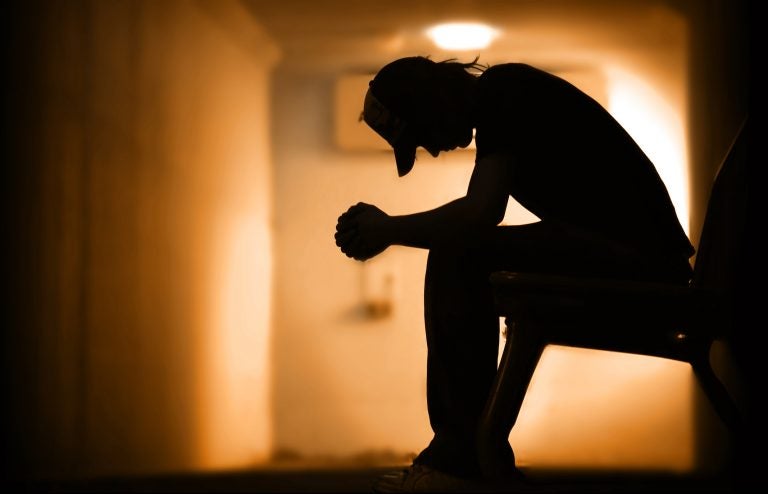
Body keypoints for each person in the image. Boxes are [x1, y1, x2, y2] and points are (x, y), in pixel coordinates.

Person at [334, 56, 694, 492]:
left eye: (420, 135)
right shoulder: (502, 97)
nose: (430, 149)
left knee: (458, 249)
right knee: (463, 248)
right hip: (640, 259)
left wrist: (386, 229)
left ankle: (458, 461)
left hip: (644, 265)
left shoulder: (505, 91)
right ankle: (469, 455)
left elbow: (480, 214)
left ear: (431, 103)